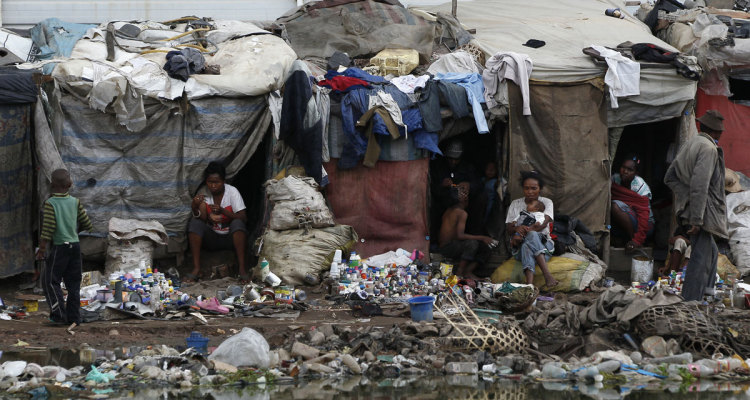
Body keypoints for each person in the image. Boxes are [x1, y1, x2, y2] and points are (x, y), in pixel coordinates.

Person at [664, 109, 728, 301]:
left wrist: (685, 196)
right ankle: (691, 300)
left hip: (694, 207)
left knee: (712, 253)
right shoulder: (708, 149)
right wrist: (697, 218)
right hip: (703, 211)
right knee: (700, 258)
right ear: (716, 132)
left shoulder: (691, 143)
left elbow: (670, 177)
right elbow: (700, 185)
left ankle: (707, 295)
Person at [36, 169, 93, 326]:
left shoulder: (50, 204)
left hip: (60, 247)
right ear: (70, 184)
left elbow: (48, 229)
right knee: (73, 284)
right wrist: (73, 232)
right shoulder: (75, 202)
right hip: (74, 246)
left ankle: (58, 315)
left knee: (51, 282)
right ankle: (74, 317)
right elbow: (88, 224)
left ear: (52, 185)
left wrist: (41, 249)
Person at [187, 161, 249, 283]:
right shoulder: (204, 192)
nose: (213, 186)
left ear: (223, 181)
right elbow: (201, 219)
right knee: (194, 224)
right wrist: (195, 207)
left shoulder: (232, 192)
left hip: (230, 238)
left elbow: (243, 218)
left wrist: (223, 211)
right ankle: (196, 268)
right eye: (210, 182)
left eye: (217, 182)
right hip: (212, 238)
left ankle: (242, 269)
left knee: (238, 224)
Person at [505, 171, 559, 289]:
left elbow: (542, 225)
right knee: (526, 243)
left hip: (544, 246)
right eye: (526, 188)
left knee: (531, 236)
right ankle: (547, 277)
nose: (530, 192)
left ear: (540, 189)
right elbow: (509, 229)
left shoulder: (545, 202)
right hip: (519, 248)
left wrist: (523, 229)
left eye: (534, 188)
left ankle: (529, 284)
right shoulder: (515, 204)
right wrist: (516, 228)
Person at [438, 185, 498, 279]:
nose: (467, 196)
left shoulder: (449, 210)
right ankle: (460, 272)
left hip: (445, 247)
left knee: (483, 247)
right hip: (448, 248)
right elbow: (460, 236)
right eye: (464, 194)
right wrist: (483, 237)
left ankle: (467, 271)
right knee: (472, 243)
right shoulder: (461, 213)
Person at [611, 154, 654, 251]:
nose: (625, 171)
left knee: (615, 206)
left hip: (645, 227)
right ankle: (620, 237)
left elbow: (644, 214)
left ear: (636, 173)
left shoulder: (640, 186)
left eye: (630, 170)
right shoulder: (614, 179)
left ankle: (631, 240)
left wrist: (637, 240)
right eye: (623, 168)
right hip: (627, 222)